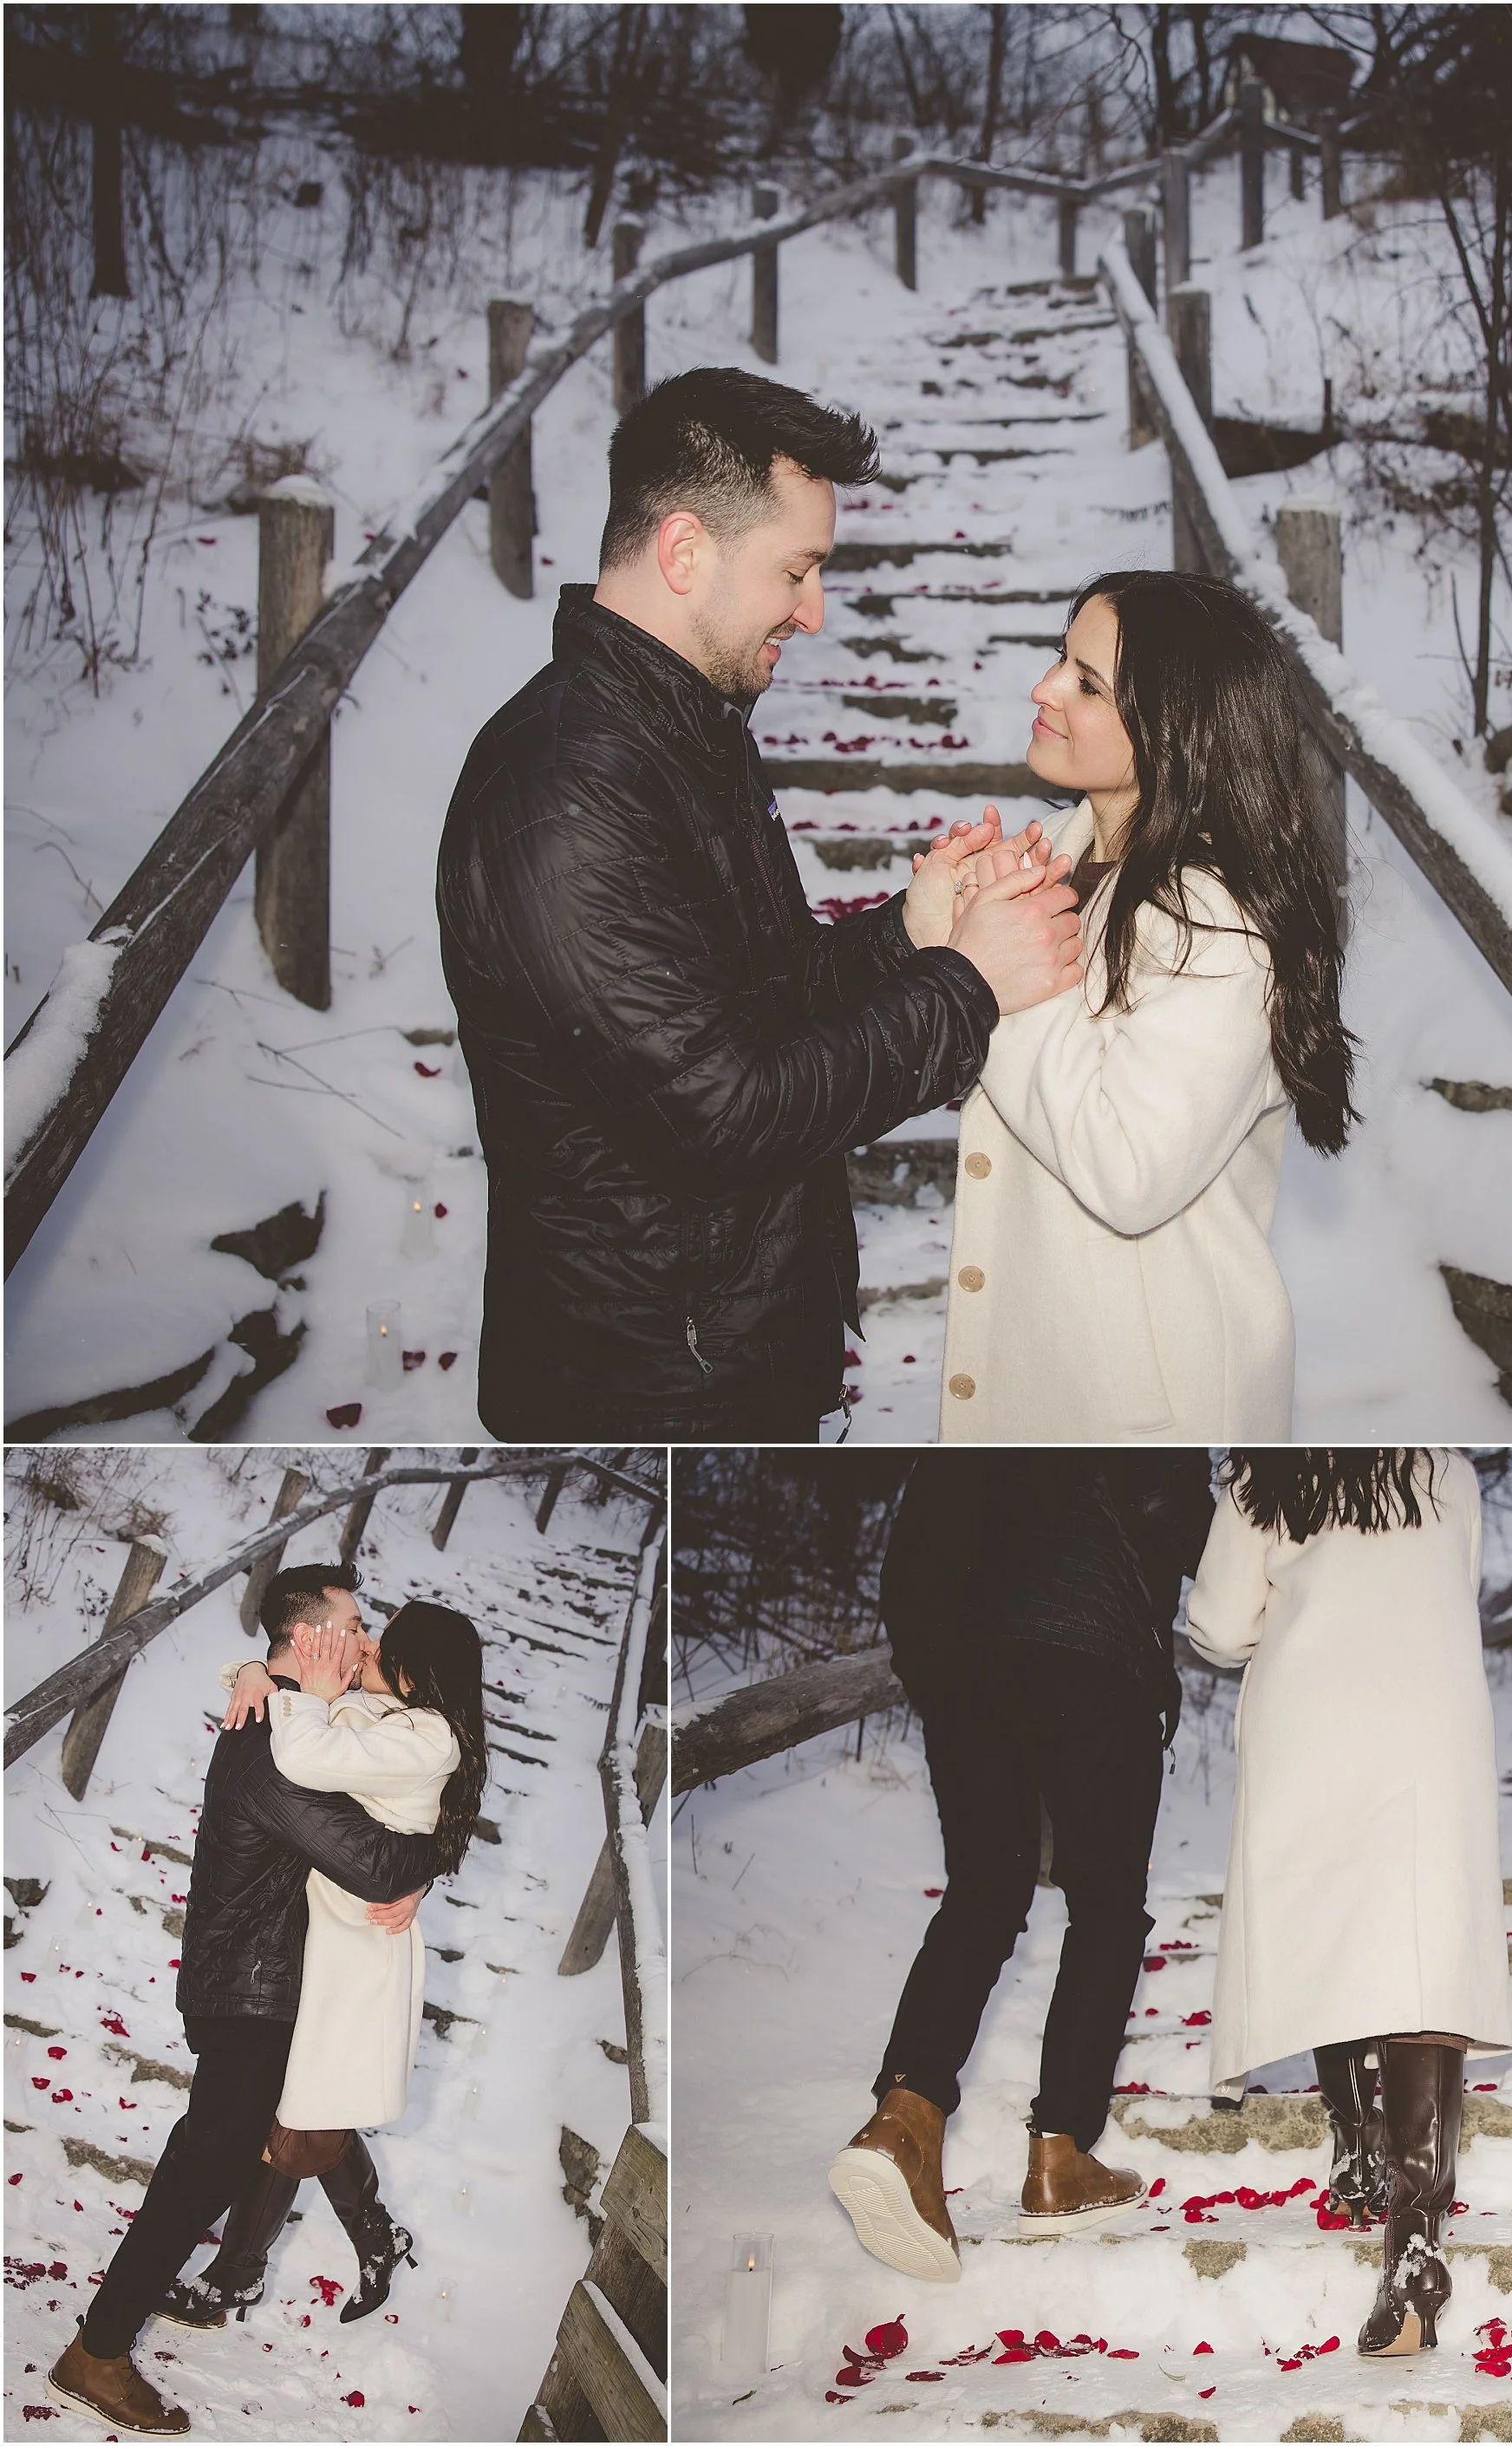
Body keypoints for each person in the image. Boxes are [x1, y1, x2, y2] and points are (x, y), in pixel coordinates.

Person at [439, 365, 1084, 1442]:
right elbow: (724, 1113)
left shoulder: (686, 734)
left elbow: (752, 1005)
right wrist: (965, 985)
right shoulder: (565, 792)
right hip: (646, 1388)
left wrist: (909, 933)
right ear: (685, 549)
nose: (815, 610)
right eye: (797, 571)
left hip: (723, 1347)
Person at [937, 569, 1357, 1440]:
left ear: (1175, 730)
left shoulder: (1219, 920)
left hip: (1139, 1405)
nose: (1044, 687)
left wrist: (993, 964)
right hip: (1041, 1367)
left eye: (1086, 683)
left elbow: (1127, 1172)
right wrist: (949, 935)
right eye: (1061, 658)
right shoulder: (1058, 854)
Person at [46, 1568, 439, 2438]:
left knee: (225, 2160)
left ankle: (133, 2326)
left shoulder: (291, 1712)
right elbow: (374, 1861)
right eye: (354, 1623)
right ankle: (98, 2351)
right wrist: (420, 1866)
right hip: (251, 1989)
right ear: (309, 1639)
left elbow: (380, 1804)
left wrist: (254, 1670)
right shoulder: (270, 1733)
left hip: (270, 1983)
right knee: (204, 2171)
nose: (368, 1639)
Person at [826, 1450, 1215, 2279]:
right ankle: (1060, 2153)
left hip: (963, 1658)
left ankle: (904, 2118)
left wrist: (932, 1669)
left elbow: (908, 1548)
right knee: (1107, 1906)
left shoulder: (980, 1400)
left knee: (985, 1890)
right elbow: (1173, 1516)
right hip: (1091, 1652)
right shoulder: (1135, 1393)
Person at [1184, 1450, 1512, 2361]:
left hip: (1311, 1712)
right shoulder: (1447, 1467)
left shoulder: (1266, 1474)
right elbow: (1455, 1587)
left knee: (1328, 1917)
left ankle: (1353, 2145)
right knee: (1419, 1947)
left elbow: (1214, 1625)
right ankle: (1413, 2249)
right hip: (1427, 1714)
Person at [153, 1597, 489, 2333]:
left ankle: (234, 2278)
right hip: (319, 1937)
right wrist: (251, 1669)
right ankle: (376, 2235)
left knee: (298, 2111)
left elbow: (306, 1753)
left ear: (414, 1666)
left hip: (359, 1953)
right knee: (308, 2105)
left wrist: (320, 1698)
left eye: (378, 1640)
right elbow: (279, 1692)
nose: (363, 1645)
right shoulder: (385, 1714)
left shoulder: (427, 1736)